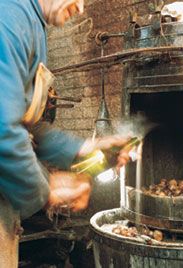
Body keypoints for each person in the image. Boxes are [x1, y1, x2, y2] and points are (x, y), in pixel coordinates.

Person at [0, 0, 130, 267]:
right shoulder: (10, 17)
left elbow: (27, 123)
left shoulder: (31, 22)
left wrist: (83, 149)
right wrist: (45, 189)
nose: (81, 8)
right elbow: (2, 126)